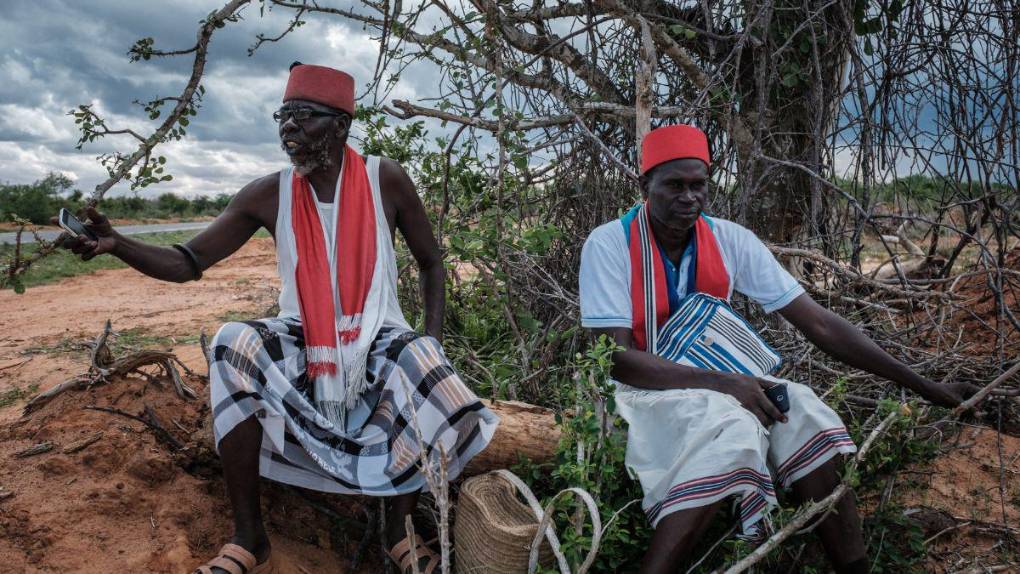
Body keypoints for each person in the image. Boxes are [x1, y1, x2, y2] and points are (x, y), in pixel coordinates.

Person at [58, 62, 499, 574]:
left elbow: (431, 261)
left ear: (340, 125)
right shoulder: (269, 193)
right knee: (232, 342)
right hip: (303, 335)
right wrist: (117, 245)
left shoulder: (386, 179)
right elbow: (186, 262)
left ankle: (401, 533)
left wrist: (433, 340)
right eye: (282, 116)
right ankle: (250, 539)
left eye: (302, 116)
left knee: (421, 357)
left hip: (378, 334)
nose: (288, 128)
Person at [578, 124, 976, 573]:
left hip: (716, 382)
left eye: (698, 185)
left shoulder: (728, 239)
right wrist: (728, 385)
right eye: (674, 185)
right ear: (644, 185)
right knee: (729, 425)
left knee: (801, 409)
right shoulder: (610, 244)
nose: (689, 197)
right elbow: (615, 360)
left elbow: (820, 324)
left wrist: (924, 385)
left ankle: (855, 566)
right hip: (640, 391)